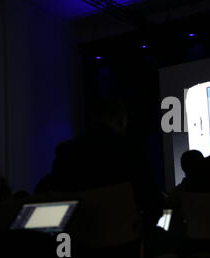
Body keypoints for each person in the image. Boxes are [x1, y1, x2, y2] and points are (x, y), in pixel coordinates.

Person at [37, 99, 164, 234]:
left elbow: (50, 197)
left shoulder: (67, 152)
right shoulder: (130, 153)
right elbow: (153, 205)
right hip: (125, 245)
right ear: (121, 121)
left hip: (76, 246)